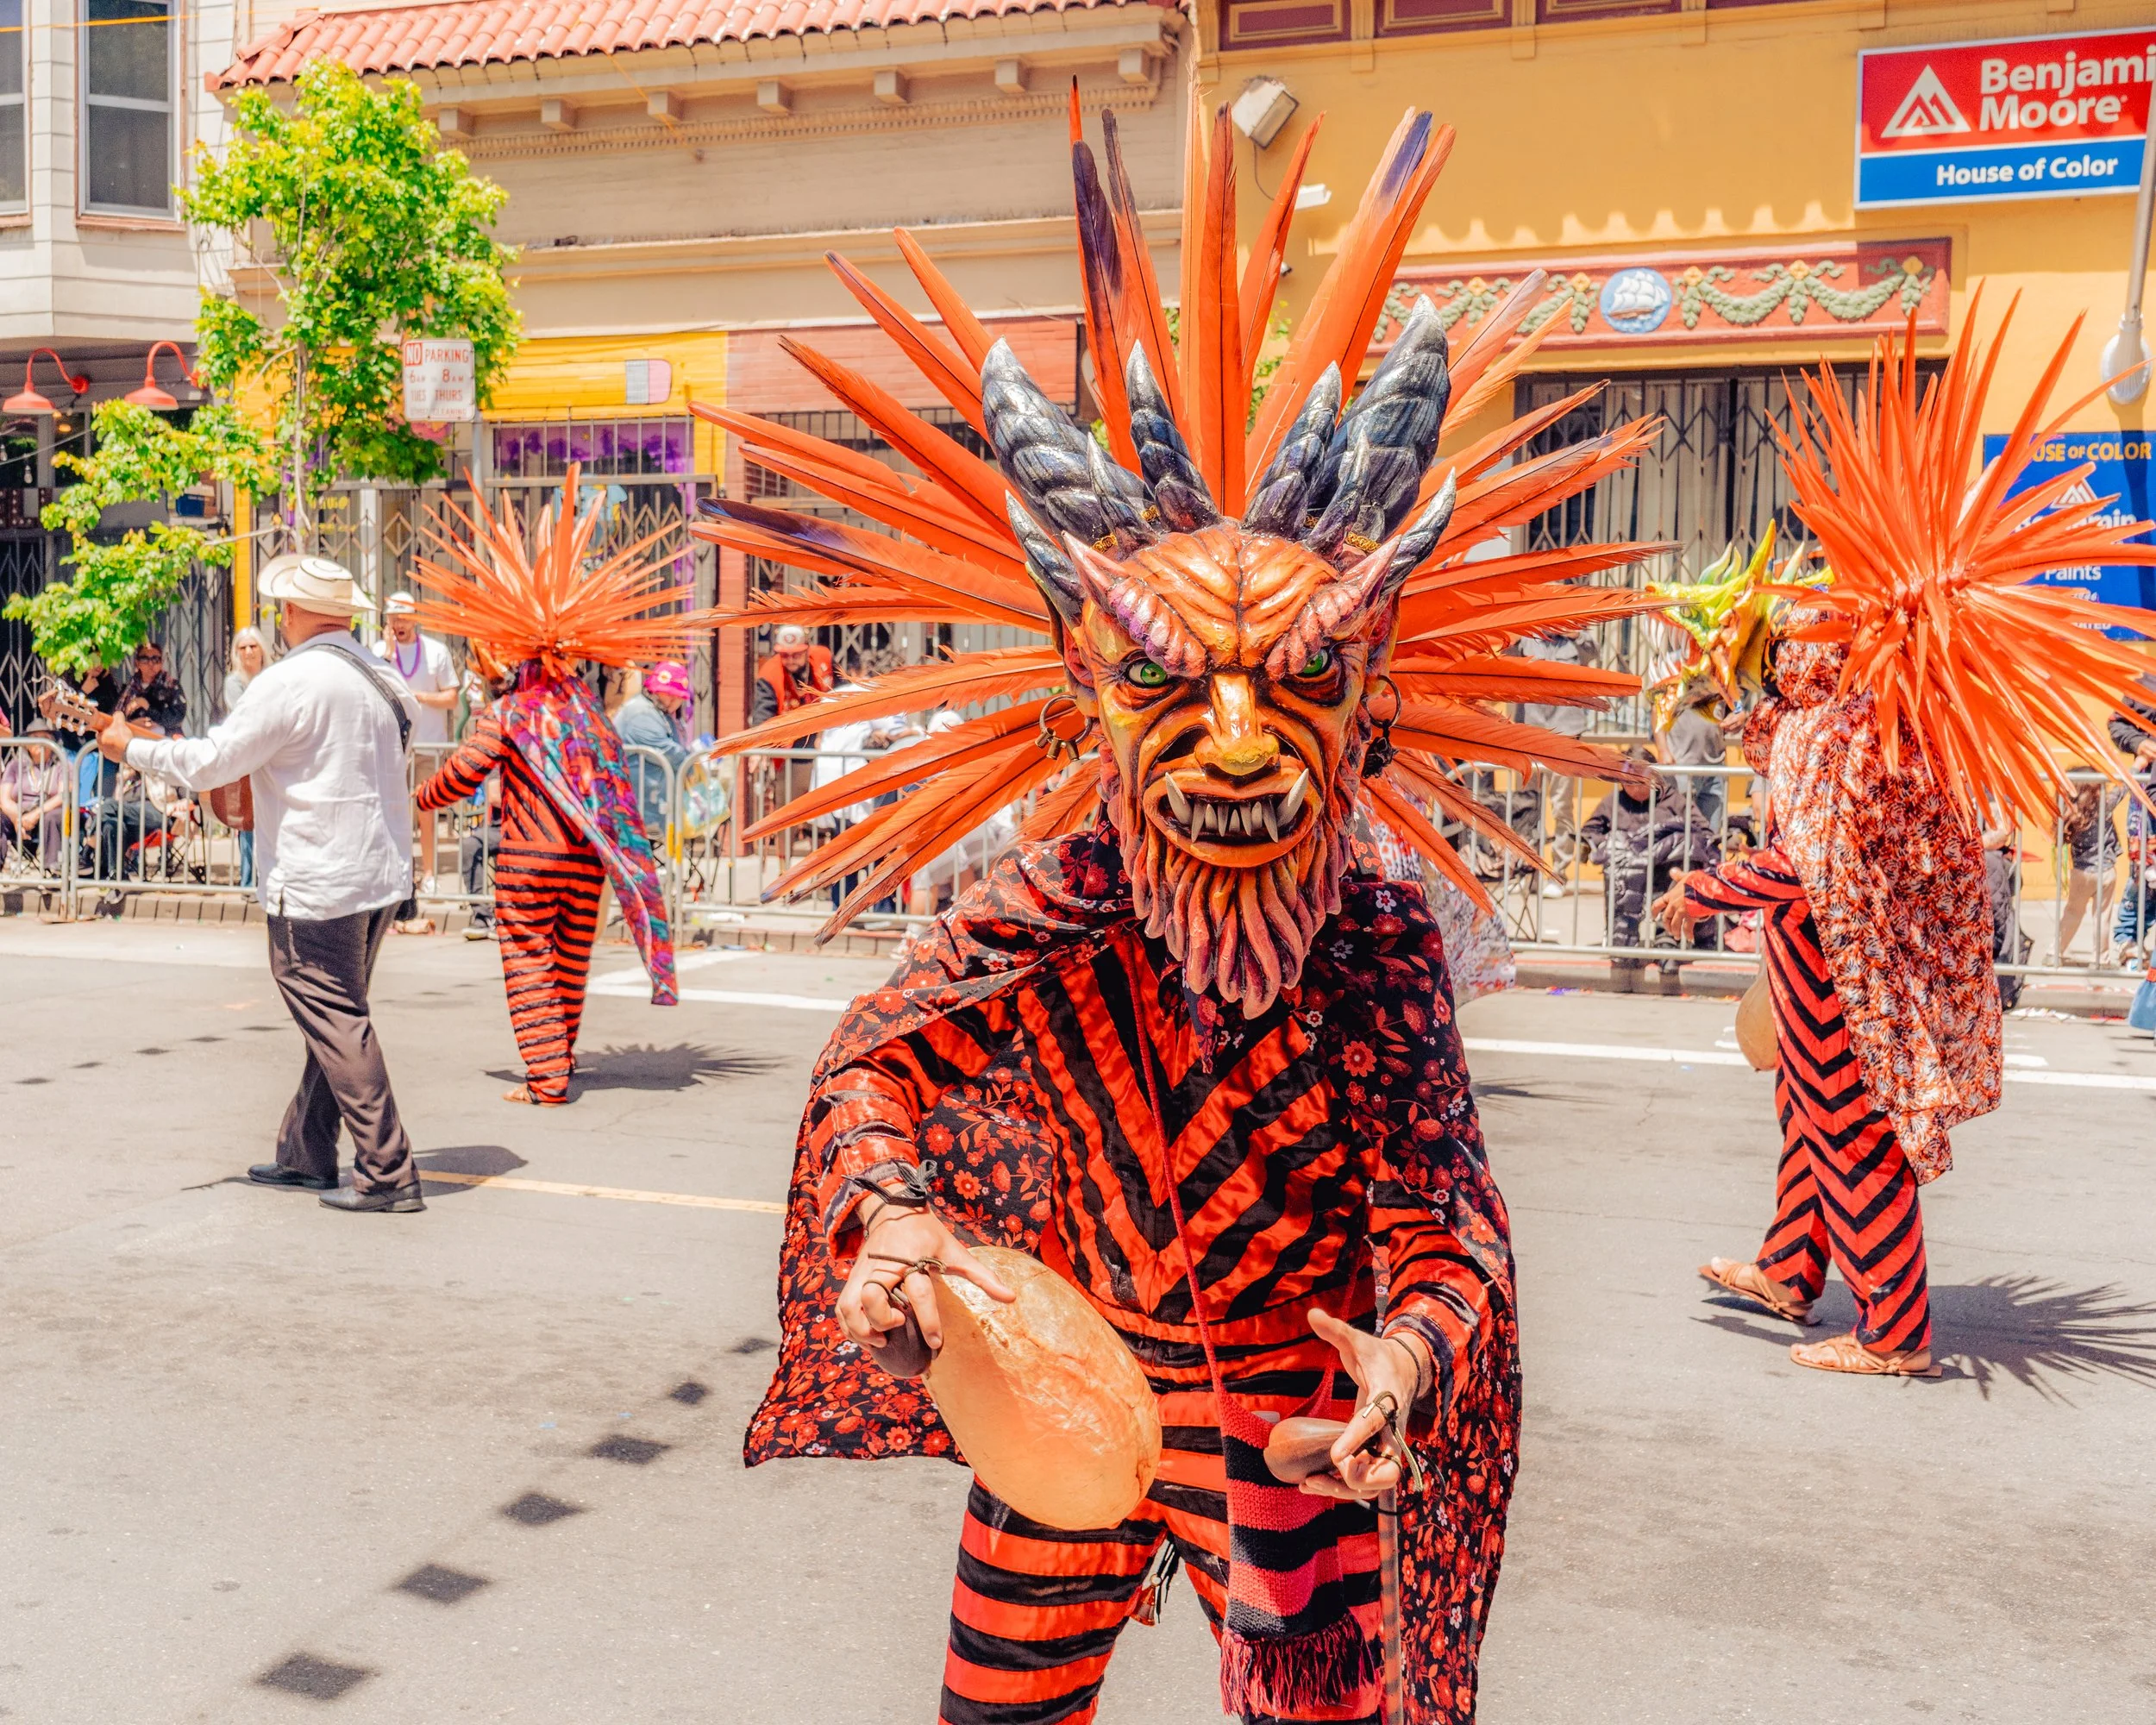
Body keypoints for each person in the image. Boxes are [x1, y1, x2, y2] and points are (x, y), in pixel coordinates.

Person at [715, 113, 1661, 1718]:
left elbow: (1443, 1205)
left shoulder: (1375, 945)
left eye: (1294, 681)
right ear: (1093, 699)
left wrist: (1410, 1355)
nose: (1234, 738)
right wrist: (889, 1217)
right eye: (1167, 679)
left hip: (1296, 1433)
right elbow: (875, 1069)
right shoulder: (1049, 903)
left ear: (1368, 709)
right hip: (1068, 1396)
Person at [1657, 304, 2156, 1379]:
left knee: (1851, 1141)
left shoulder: (1850, 734)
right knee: (1805, 1125)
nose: (1777, 644)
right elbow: (1798, 800)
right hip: (1813, 980)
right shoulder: (1827, 723)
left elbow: (1808, 865)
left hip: (1846, 984)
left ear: (1826, 653)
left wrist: (1700, 889)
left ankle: (1894, 1333)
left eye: (1791, 636)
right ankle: (1791, 1272)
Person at [98, 553, 423, 1214]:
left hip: (318, 878)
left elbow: (214, 759)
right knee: (335, 1017)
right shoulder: (384, 676)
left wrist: (129, 747)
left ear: (297, 613)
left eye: (283, 608)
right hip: (377, 872)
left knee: (334, 1019)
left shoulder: (292, 680)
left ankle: (388, 1172)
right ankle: (305, 1155)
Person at [407, 472, 696, 1106]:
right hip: (587, 863)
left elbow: (464, 774)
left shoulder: (514, 711)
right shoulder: (590, 713)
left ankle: (546, 1078)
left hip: (529, 862)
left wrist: (419, 798)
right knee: (568, 964)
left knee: (529, 962)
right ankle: (558, 1059)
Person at [377, 591, 459, 899]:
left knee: (426, 813)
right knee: (394, 813)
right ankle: (399, 873)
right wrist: (386, 653)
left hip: (428, 746)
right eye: (394, 618)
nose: (399, 623)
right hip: (393, 749)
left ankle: (429, 873)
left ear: (415, 619)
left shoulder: (436, 652)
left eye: (404, 617)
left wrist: (418, 698)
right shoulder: (380, 652)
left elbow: (451, 697)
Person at [613, 660, 693, 841]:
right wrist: (692, 764)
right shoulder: (641, 713)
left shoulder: (657, 711)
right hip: (638, 806)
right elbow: (670, 753)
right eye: (670, 695)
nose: (675, 701)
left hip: (650, 803)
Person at [2053, 777, 2124, 966]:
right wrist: (2138, 764)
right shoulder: (2104, 808)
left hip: (2080, 873)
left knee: (2072, 913)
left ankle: (2055, 952)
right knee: (2102, 917)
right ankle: (2100, 959)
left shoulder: (2071, 815)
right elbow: (2123, 788)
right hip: (2106, 871)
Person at [223, 629, 268, 888]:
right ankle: (248, 881)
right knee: (248, 820)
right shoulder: (234, 682)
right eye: (243, 647)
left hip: (272, 755)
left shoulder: (273, 676)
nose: (249, 652)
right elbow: (244, 715)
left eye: (253, 646)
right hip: (247, 757)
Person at [0, 718, 68, 874]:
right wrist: (19, 817)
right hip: (18, 814)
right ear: (27, 744)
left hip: (48, 812)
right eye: (35, 738)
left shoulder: (61, 764)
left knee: (54, 816)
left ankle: (52, 871)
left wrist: (35, 815)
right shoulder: (15, 765)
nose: (40, 743)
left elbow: (64, 796)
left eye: (45, 738)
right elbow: (4, 798)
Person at [749, 623, 835, 725]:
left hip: (823, 725)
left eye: (796, 655)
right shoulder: (769, 675)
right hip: (788, 733)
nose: (790, 660)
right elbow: (762, 719)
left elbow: (844, 691)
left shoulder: (823, 657)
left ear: (807, 651)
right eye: (785, 655)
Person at [118, 640, 186, 736]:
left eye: (155, 659)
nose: (151, 664)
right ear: (137, 663)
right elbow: (116, 715)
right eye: (145, 659)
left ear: (161, 663)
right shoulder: (130, 687)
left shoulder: (170, 685)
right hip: (135, 740)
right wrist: (131, 724)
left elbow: (175, 718)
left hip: (164, 740)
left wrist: (146, 706)